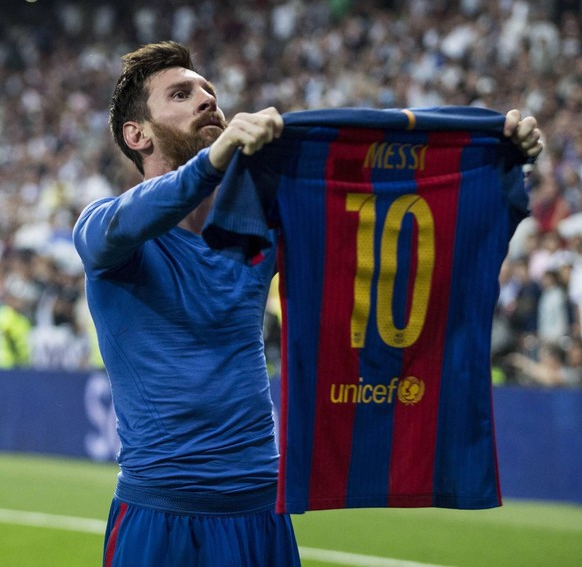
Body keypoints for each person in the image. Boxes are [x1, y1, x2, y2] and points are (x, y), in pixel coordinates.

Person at [73, 41, 543, 567]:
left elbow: (383, 198)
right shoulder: (105, 229)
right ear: (137, 135)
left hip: (261, 508)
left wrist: (492, 155)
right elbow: (131, 218)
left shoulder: (257, 229)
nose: (207, 100)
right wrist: (212, 163)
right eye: (181, 95)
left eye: (209, 91)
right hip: (159, 512)